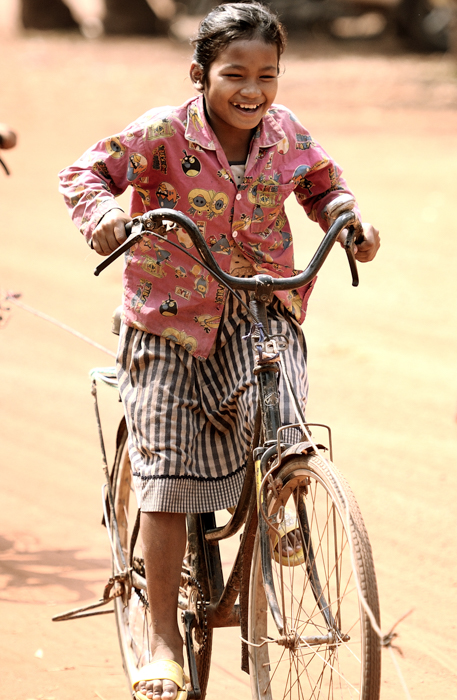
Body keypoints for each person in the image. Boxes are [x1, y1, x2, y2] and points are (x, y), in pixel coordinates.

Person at [58, 3, 380, 699]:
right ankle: (165, 641)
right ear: (201, 74)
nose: (252, 89)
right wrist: (108, 218)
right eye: (236, 73)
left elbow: (326, 186)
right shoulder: (162, 131)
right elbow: (83, 175)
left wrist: (349, 222)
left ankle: (284, 500)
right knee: (168, 472)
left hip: (259, 302)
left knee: (282, 409)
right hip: (169, 320)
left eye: (268, 75)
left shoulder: (285, 132)